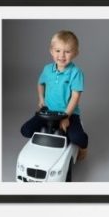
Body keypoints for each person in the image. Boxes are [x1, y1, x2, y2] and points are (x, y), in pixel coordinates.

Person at [19, 30, 88, 162]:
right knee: (26, 130)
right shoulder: (47, 69)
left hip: (69, 113)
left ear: (75, 53)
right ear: (51, 51)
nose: (61, 55)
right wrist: (41, 99)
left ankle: (84, 148)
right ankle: (49, 131)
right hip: (48, 112)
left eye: (67, 51)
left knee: (77, 138)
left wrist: (66, 116)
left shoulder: (76, 73)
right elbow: (40, 83)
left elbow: (75, 96)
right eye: (58, 51)